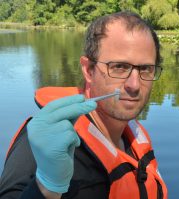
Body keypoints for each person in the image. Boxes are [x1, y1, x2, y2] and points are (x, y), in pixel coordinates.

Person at [0, 11, 167, 199]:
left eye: (146, 69)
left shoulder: (134, 138)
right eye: (119, 67)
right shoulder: (46, 140)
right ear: (88, 70)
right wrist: (46, 188)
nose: (134, 85)